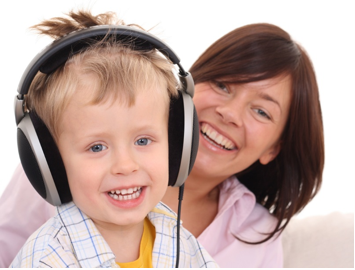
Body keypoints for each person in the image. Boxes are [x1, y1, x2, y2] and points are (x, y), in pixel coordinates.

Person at [0, 20, 324, 268]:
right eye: (224, 85)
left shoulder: (179, 238)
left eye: (261, 111)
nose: (230, 114)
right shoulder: (50, 234)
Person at [7, 10, 218, 268]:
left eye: (143, 141)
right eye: (97, 147)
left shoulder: (180, 242)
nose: (125, 165)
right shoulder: (47, 260)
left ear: (176, 144)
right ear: (52, 164)